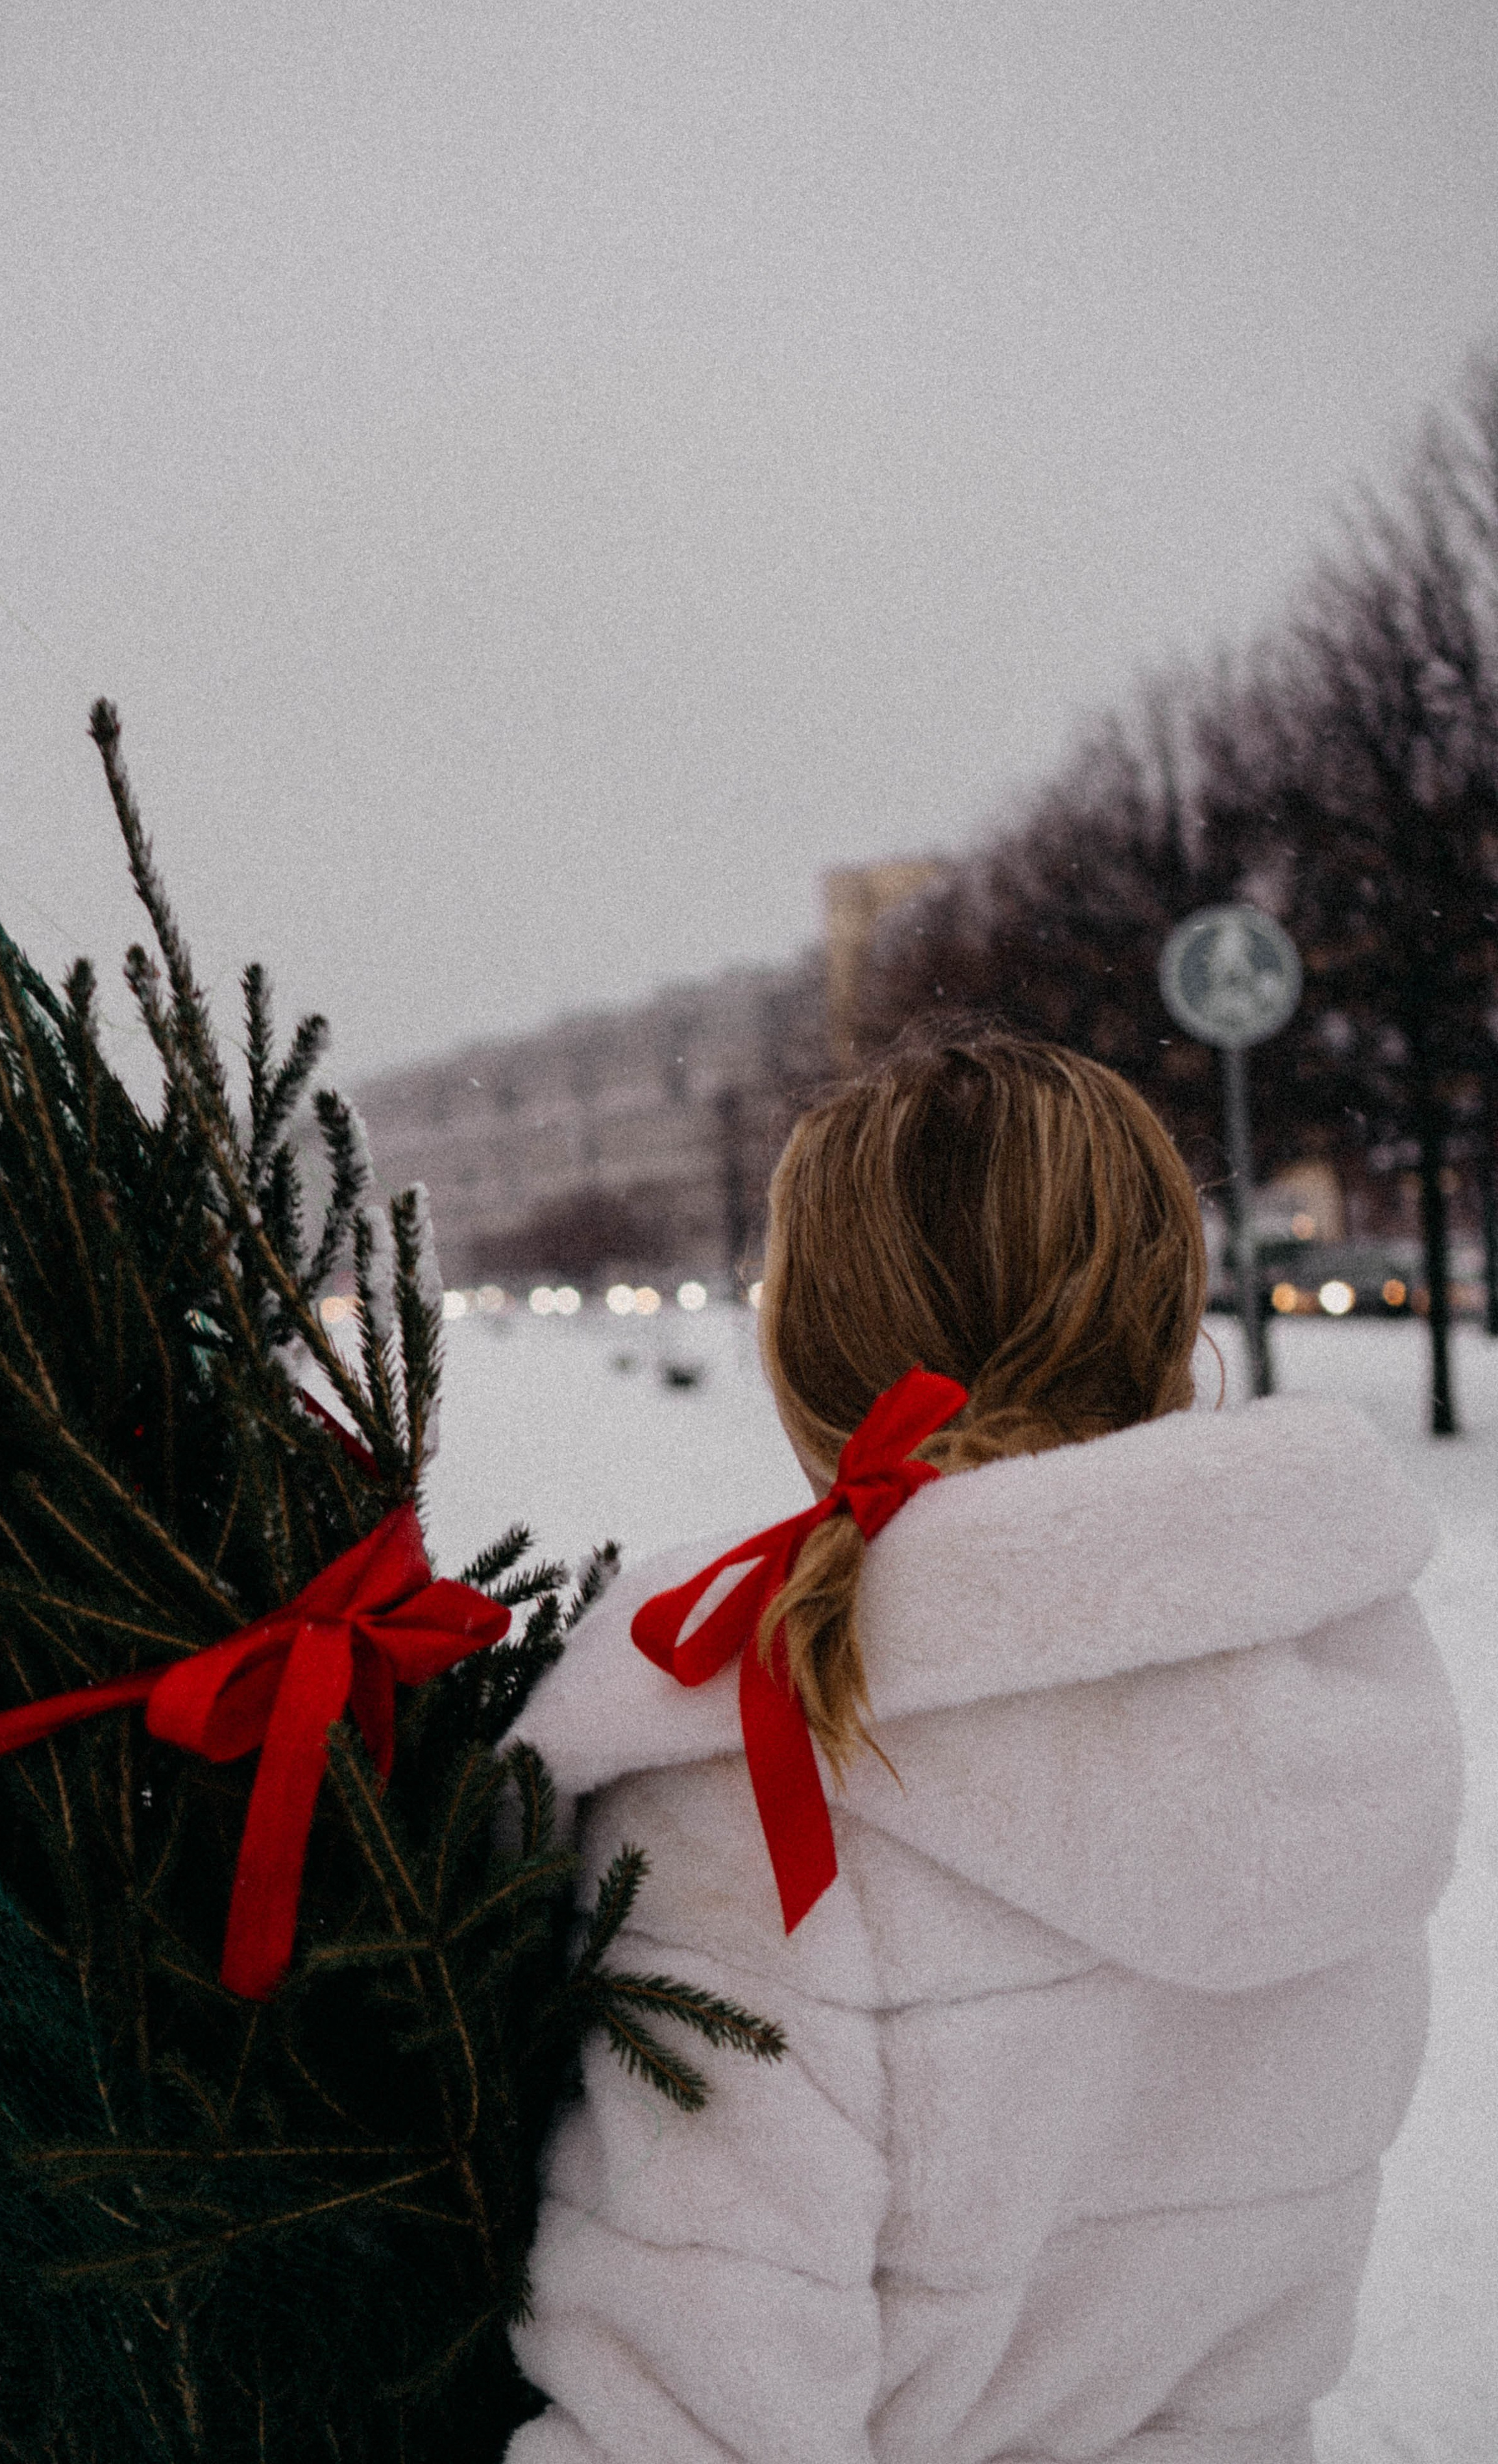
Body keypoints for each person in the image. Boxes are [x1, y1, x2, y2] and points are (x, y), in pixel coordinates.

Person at [504, 1031, 1462, 2464]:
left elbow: (689, 2413)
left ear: (807, 1340)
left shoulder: (768, 1784)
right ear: (1163, 1304)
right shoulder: (1321, 1702)